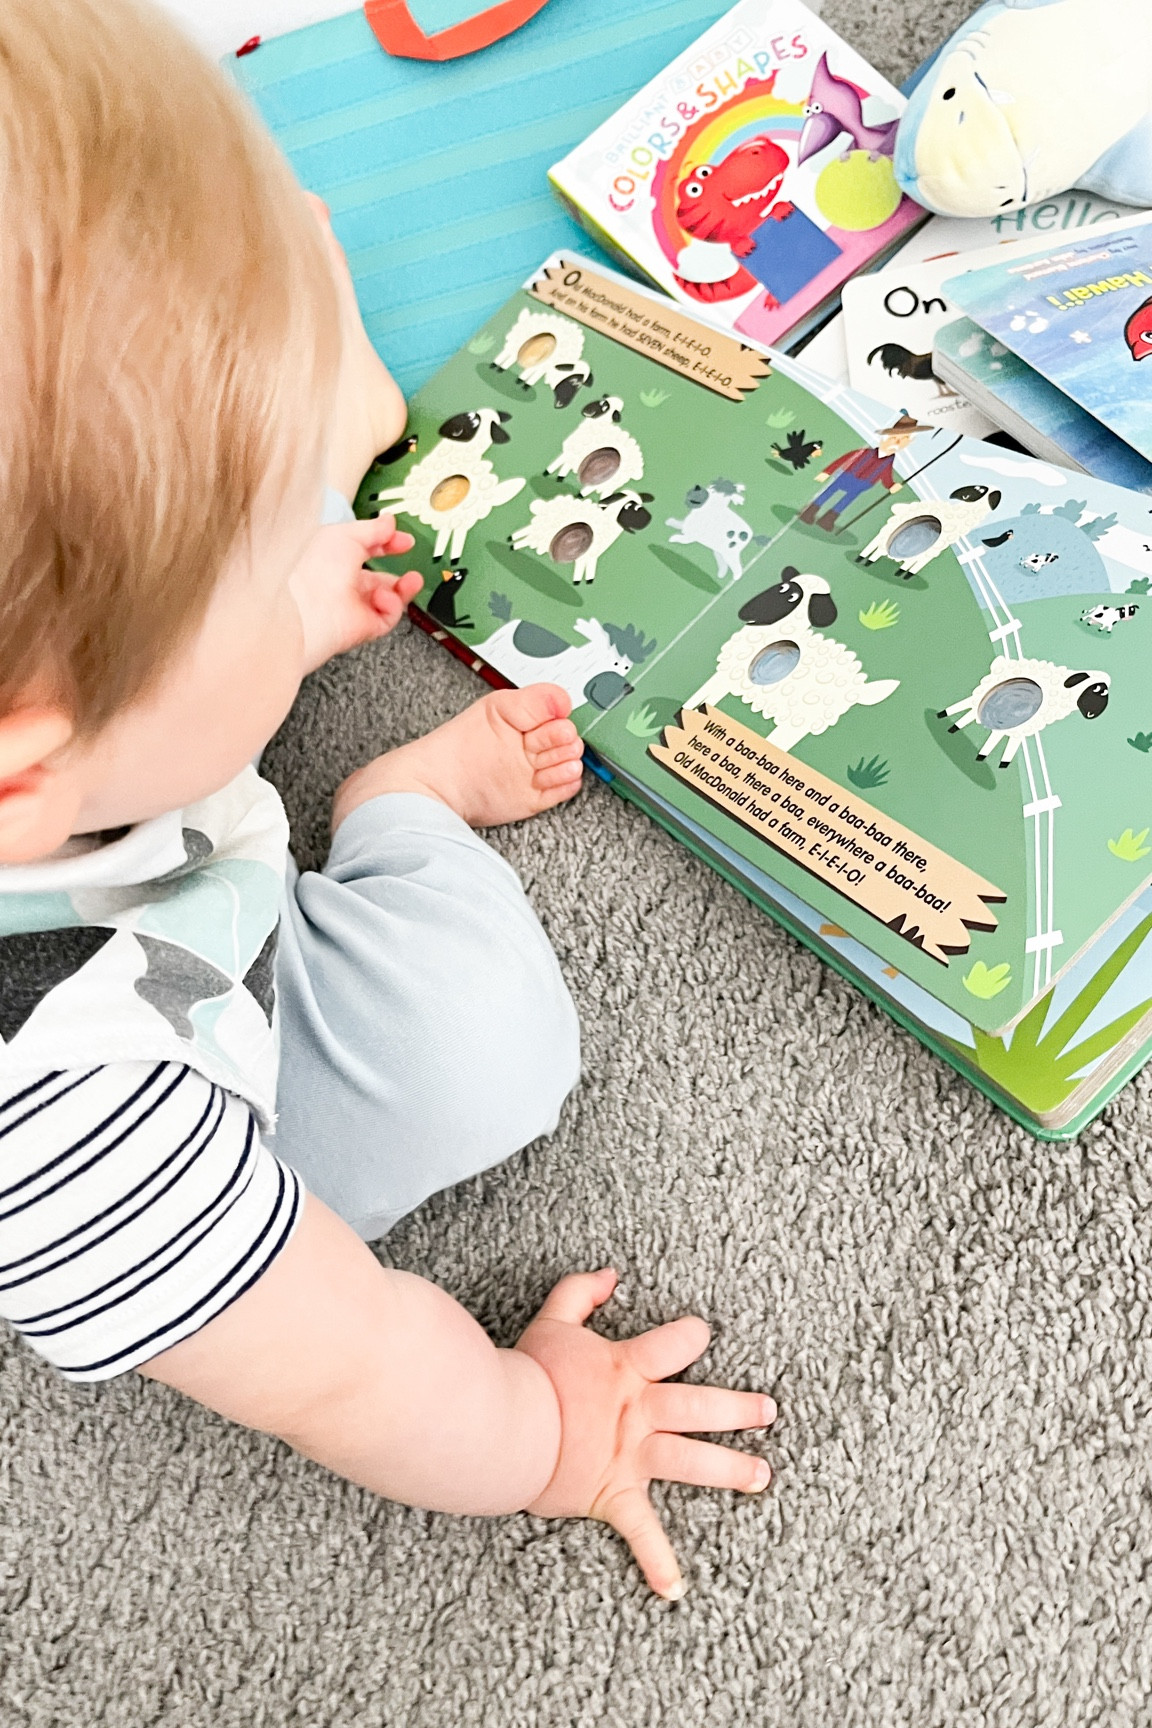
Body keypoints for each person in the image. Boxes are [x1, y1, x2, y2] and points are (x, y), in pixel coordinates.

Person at [0, 0, 775, 1601]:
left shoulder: (49, 727)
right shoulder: (73, 1121)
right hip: (144, 1006)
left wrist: (260, 616)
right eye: (290, 532)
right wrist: (546, 1434)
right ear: (35, 758)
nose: (336, 533)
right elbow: (347, 1368)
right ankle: (389, 802)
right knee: (475, 1057)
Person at [798, 412, 933, 532]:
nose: (896, 443)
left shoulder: (889, 461)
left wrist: (891, 485)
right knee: (829, 492)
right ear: (885, 438)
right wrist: (827, 472)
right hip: (847, 476)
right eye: (894, 438)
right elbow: (844, 459)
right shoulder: (864, 452)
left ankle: (827, 520)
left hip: (864, 484)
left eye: (902, 441)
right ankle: (809, 512)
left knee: (846, 501)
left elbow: (885, 475)